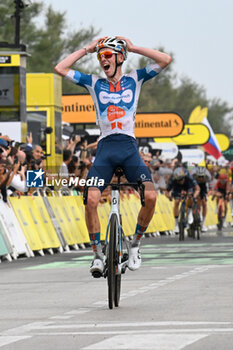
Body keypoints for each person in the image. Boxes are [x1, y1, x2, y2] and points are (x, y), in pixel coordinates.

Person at [55, 36, 171, 277]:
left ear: (120, 57)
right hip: (106, 149)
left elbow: (165, 59)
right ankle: (97, 254)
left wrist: (135, 47)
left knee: (150, 196)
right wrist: (87, 49)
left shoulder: (135, 79)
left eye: (107, 55)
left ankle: (136, 244)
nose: (102, 60)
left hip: (129, 147)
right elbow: (61, 68)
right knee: (91, 201)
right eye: (100, 57)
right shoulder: (93, 82)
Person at [165, 167, 200, 233]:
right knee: (176, 202)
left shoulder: (189, 177)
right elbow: (166, 192)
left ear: (184, 177)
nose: (180, 181)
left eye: (181, 179)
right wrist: (169, 197)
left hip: (188, 186)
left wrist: (194, 196)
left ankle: (189, 213)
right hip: (177, 188)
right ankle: (176, 225)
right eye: (178, 180)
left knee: (190, 197)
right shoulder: (173, 179)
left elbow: (197, 189)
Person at [191, 166, 211, 232]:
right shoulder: (192, 176)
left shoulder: (208, 177)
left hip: (203, 186)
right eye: (199, 177)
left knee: (204, 203)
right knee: (194, 198)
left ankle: (203, 223)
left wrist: (206, 195)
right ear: (196, 175)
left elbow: (207, 188)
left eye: (202, 176)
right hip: (194, 185)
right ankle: (191, 215)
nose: (201, 178)